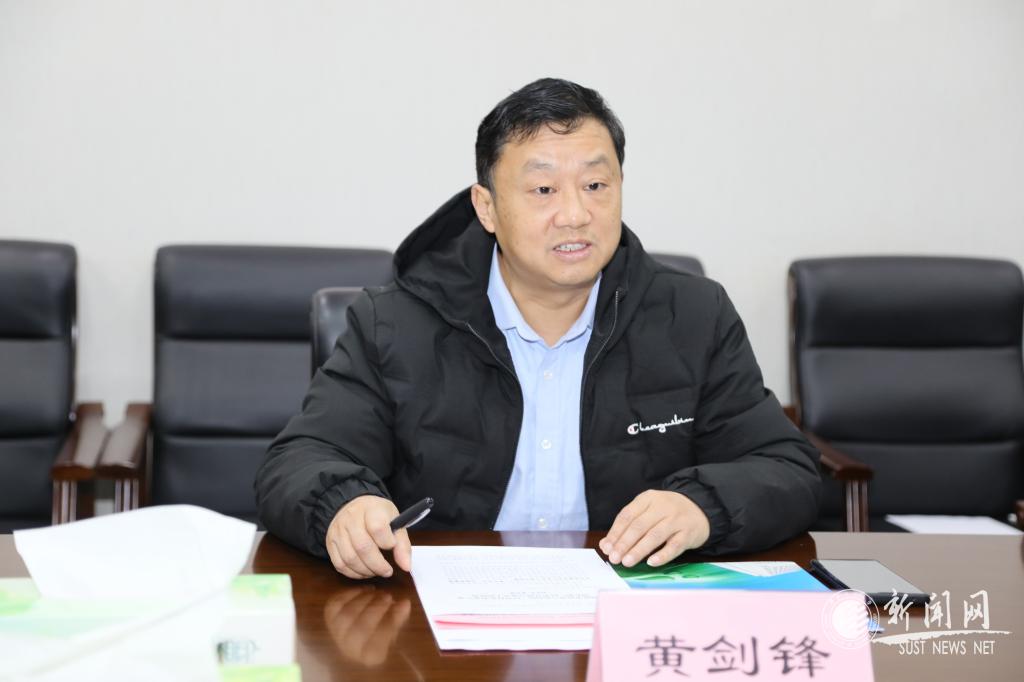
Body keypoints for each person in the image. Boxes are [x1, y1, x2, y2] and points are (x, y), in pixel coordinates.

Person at [256, 78, 821, 580]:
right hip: (434, 618)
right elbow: (301, 458)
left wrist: (703, 507)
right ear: (486, 208)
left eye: (596, 186)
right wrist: (345, 506)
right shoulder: (396, 323)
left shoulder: (692, 316)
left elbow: (785, 467)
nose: (575, 214)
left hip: (625, 615)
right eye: (543, 190)